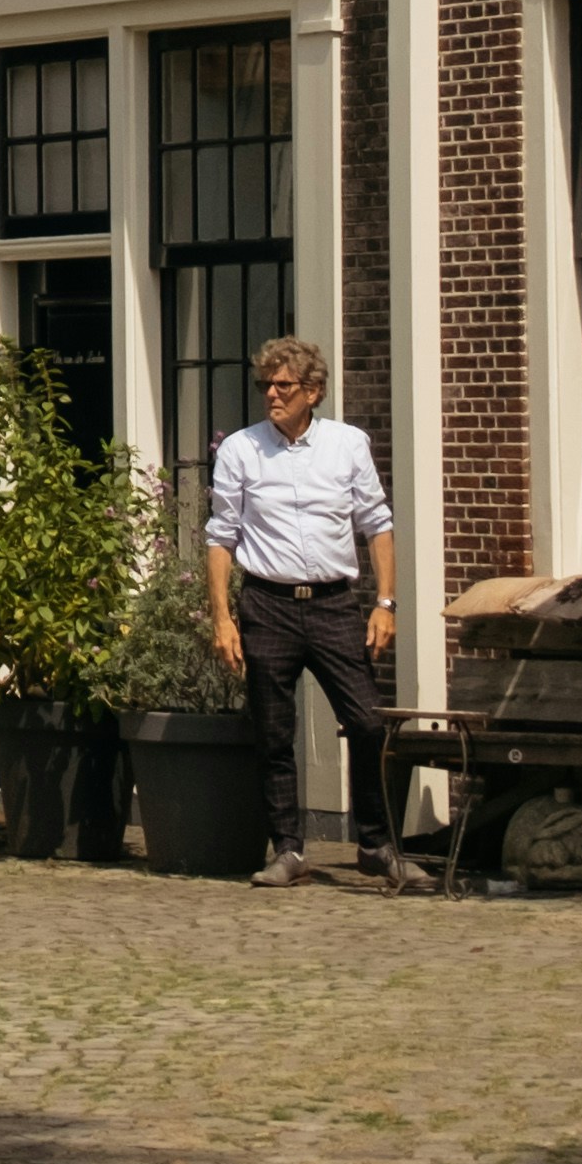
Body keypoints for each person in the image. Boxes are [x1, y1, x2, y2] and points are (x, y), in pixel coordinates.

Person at [205, 334, 399, 886]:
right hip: (267, 603)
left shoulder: (348, 445)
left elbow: (377, 524)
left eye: (283, 385)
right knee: (272, 731)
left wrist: (385, 604)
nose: (271, 394)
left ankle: (375, 843)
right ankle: (288, 848)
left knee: (366, 722)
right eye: (265, 384)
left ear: (313, 391)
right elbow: (221, 535)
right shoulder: (241, 449)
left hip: (335, 603)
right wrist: (222, 617)